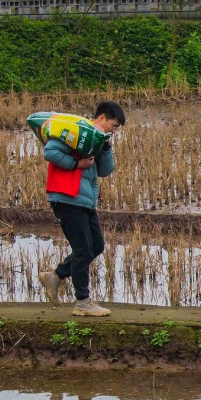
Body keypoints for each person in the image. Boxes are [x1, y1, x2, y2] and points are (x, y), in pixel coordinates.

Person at [39, 100, 123, 316]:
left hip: (85, 200)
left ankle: (55, 276)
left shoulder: (97, 140)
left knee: (96, 245)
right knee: (83, 249)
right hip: (67, 197)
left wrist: (105, 148)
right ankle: (83, 302)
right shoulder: (78, 132)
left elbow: (105, 170)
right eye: (113, 126)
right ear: (102, 118)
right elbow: (50, 152)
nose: (114, 131)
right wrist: (76, 164)